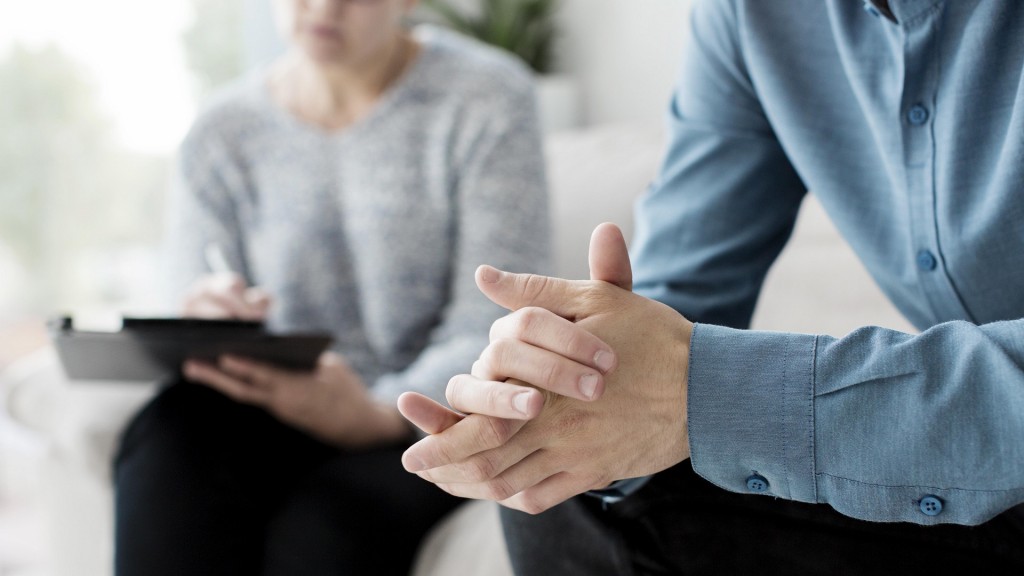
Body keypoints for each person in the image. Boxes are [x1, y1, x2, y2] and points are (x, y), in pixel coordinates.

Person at [396, 0, 1024, 574]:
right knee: (571, 465)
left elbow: (689, 383)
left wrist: (707, 390)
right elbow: (675, 302)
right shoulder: (756, 16)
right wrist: (576, 373)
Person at [112, 0, 549, 574]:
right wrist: (207, 313)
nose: (323, 8)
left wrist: (373, 412)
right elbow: (191, 290)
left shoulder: (487, 98)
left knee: (329, 527)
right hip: (270, 407)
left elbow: (493, 319)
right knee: (170, 437)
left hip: (411, 420)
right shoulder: (221, 132)